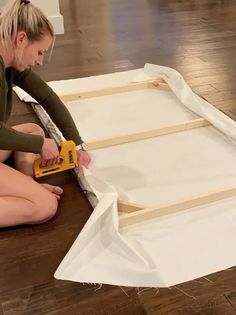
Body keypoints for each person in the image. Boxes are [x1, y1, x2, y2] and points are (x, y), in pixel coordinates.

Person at [0, 0, 91, 227]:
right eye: (39, 51)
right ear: (21, 39)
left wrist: (77, 144)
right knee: (45, 206)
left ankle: (24, 185)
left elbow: (48, 98)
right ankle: (28, 193)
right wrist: (38, 144)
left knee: (33, 129)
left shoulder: (11, 61)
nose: (39, 60)